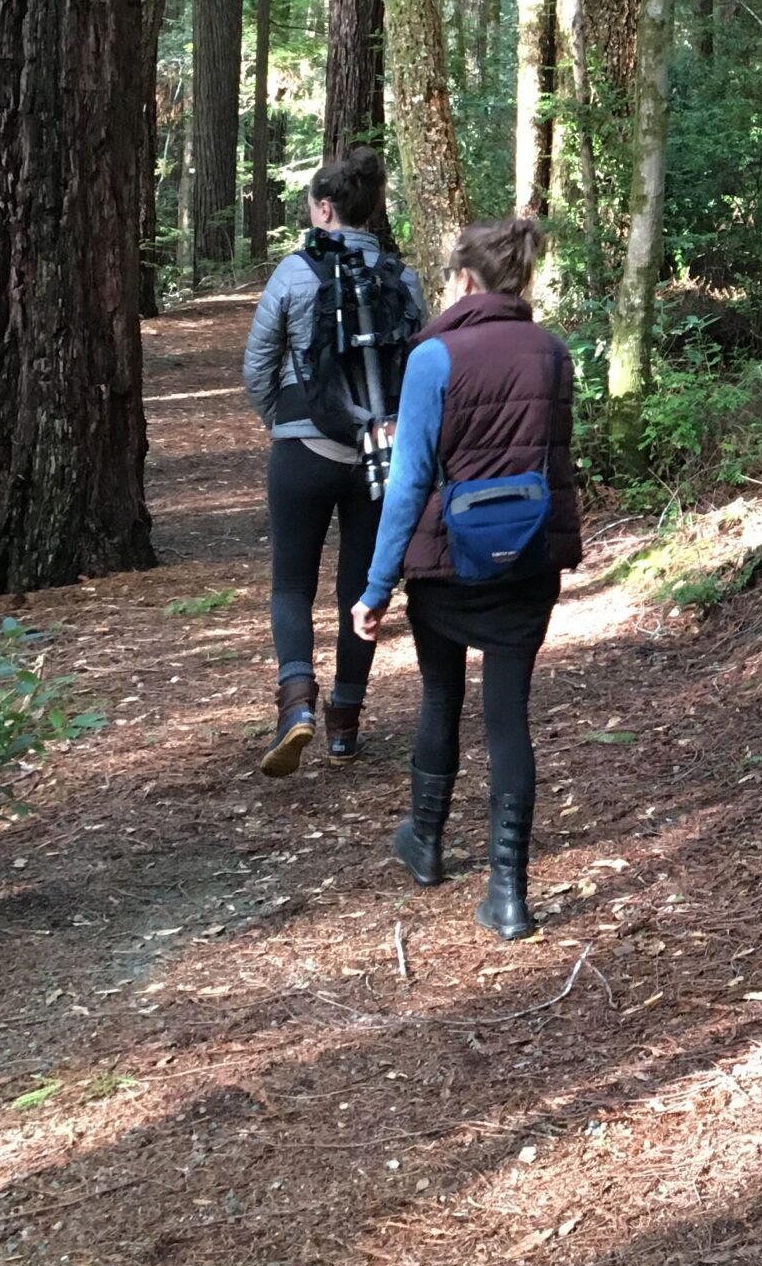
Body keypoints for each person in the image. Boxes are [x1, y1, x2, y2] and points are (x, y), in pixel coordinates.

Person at [351, 217, 581, 940]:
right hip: (529, 560)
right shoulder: (552, 352)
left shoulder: (434, 357)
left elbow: (411, 479)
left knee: (441, 693)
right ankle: (508, 894)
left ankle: (426, 845)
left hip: (448, 564)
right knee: (509, 718)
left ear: (464, 279)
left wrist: (376, 586)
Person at [241, 146, 426, 775]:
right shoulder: (402, 276)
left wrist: (284, 421)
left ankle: (296, 705)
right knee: (360, 587)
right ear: (372, 210)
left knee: (291, 583)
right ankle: (345, 722)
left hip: (302, 450)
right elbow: (420, 364)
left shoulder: (295, 273)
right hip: (380, 456)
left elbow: (258, 365)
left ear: (324, 209)